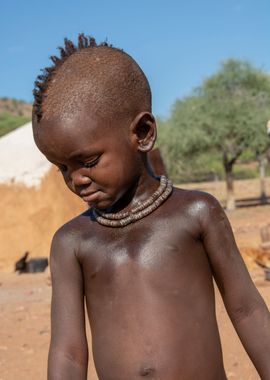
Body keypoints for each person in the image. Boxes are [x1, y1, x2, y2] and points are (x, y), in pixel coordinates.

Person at [32, 34, 270, 380]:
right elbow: (68, 352)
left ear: (142, 133)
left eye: (88, 161)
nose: (76, 179)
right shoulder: (73, 242)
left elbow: (247, 310)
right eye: (63, 168)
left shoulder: (196, 213)